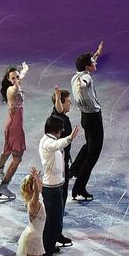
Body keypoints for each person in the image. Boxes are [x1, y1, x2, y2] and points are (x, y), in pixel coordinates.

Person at [39, 114, 82, 256]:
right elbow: (56, 145)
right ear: (55, 129)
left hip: (55, 188)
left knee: (52, 225)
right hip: (52, 191)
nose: (63, 130)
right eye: (61, 129)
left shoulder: (49, 140)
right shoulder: (48, 143)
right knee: (54, 226)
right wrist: (70, 138)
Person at [69, 41, 105, 201]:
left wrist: (97, 52)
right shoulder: (84, 79)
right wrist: (81, 86)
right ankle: (79, 188)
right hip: (93, 119)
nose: (95, 63)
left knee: (89, 145)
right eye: (93, 62)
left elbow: (84, 71)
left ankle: (73, 170)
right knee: (93, 154)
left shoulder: (77, 74)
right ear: (87, 67)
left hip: (85, 118)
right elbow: (84, 83)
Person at [0, 61, 29, 199]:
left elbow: (20, 78)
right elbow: (13, 96)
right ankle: (3, 187)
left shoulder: (16, 84)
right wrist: (13, 104)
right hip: (15, 125)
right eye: (13, 78)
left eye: (17, 77)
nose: (16, 79)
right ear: (9, 80)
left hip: (12, 122)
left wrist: (24, 70)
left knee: (8, 149)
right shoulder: (12, 89)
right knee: (17, 158)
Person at [48, 86, 76, 247]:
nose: (70, 103)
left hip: (63, 160)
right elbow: (58, 110)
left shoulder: (61, 115)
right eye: (68, 102)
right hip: (58, 164)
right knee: (58, 200)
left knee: (62, 198)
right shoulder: (57, 116)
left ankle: (57, 232)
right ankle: (52, 236)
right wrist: (58, 98)